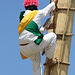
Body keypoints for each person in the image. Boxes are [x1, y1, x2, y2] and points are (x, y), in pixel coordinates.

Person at [18, 0, 58, 75]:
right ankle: (49, 59)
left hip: (23, 49)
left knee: (37, 60)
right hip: (32, 45)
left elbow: (31, 32)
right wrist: (54, 2)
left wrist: (46, 28)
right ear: (35, 6)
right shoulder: (36, 13)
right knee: (53, 36)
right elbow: (46, 10)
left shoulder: (23, 17)